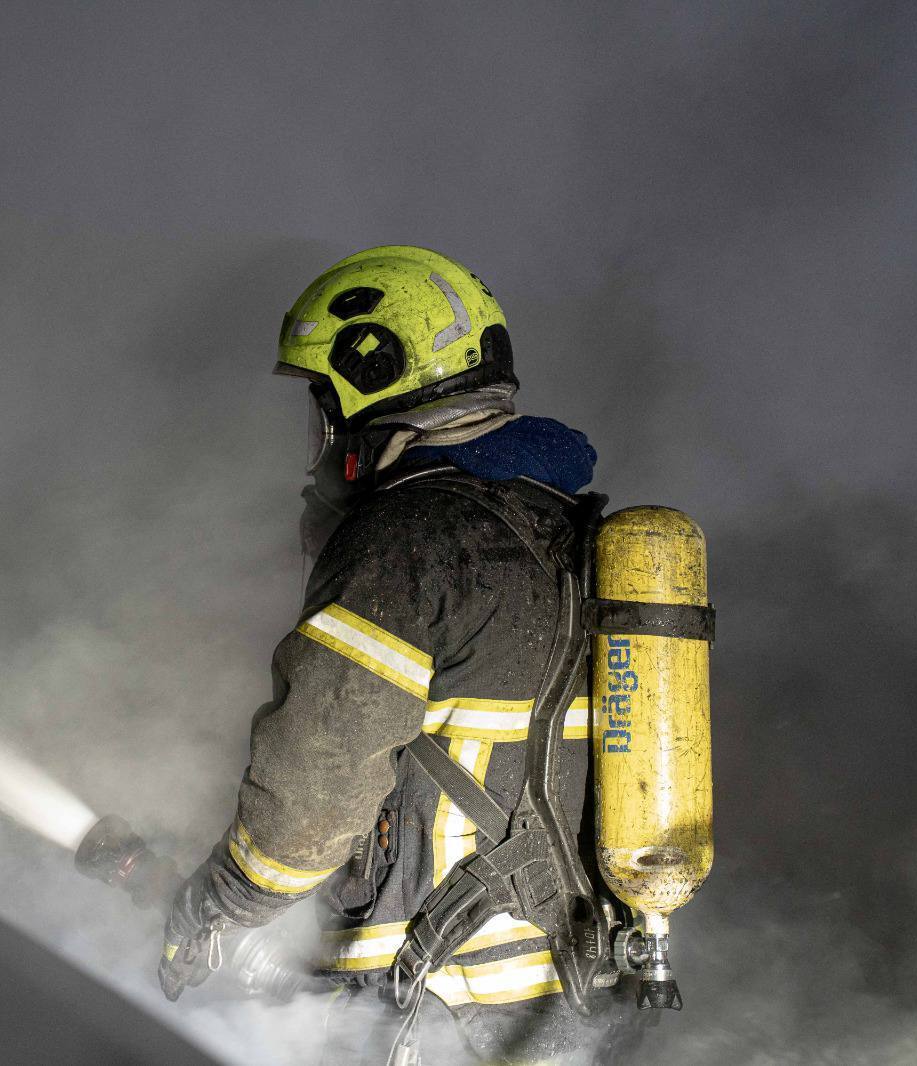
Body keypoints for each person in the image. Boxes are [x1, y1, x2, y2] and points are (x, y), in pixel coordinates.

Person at [160, 246, 635, 1064]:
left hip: (436, 1004)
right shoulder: (576, 536)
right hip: (573, 998)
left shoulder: (404, 541)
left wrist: (220, 902)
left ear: (370, 381)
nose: (321, 432)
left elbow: (313, 790)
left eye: (324, 402)